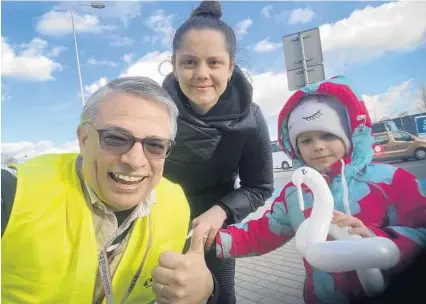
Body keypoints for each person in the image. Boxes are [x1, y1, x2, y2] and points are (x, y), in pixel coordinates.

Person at [1, 77, 219, 304]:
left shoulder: (175, 201)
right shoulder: (14, 191)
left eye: (155, 145)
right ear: (84, 140)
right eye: (115, 138)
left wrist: (208, 292)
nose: (135, 161)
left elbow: (183, 283)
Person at [214, 76, 426, 303]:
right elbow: (264, 232)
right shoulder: (295, 194)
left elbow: (420, 229)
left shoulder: (390, 181)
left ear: (348, 134)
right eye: (305, 140)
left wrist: (374, 236)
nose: (318, 146)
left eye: (328, 135)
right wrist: (211, 241)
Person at [161, 1, 274, 303]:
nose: (201, 74)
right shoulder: (155, 112)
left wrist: (221, 211)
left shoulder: (251, 118)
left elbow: (260, 186)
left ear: (230, 66)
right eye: (189, 62)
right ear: (173, 65)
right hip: (156, 229)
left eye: (213, 62)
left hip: (214, 232)